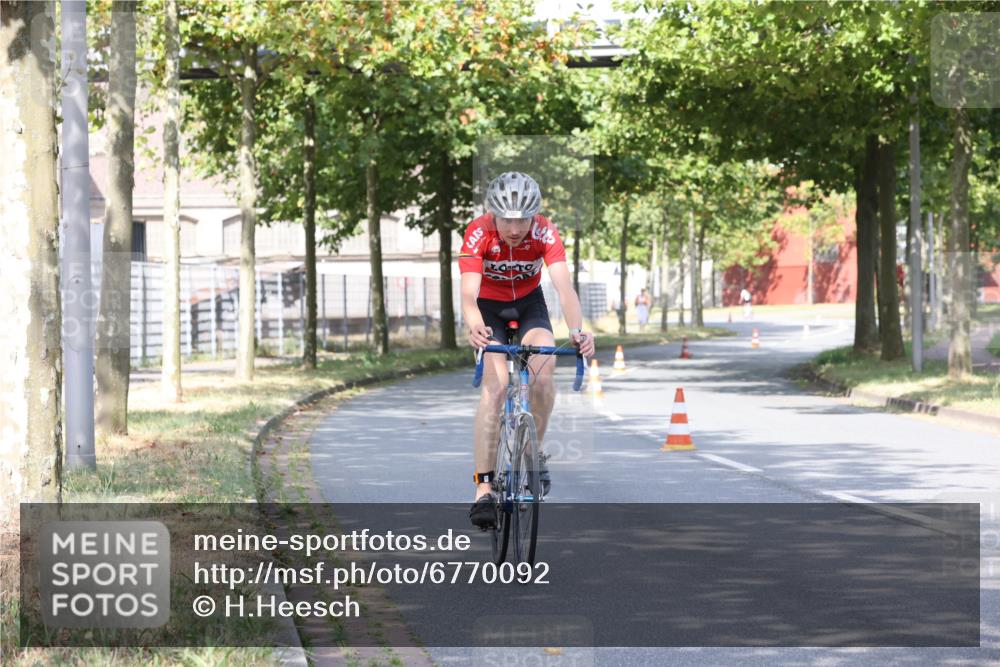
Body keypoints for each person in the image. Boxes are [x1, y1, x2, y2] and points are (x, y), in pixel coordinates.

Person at [459, 172, 596, 528]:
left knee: (544, 369)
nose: (515, 227)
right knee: (498, 386)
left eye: (523, 219)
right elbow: (468, 294)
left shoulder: (545, 232)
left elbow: (565, 289)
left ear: (534, 215)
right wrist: (474, 324)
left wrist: (579, 331)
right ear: (493, 214)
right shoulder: (478, 232)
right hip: (489, 309)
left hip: (530, 305)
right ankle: (483, 488)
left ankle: (532, 454)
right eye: (507, 219)